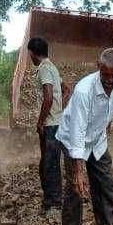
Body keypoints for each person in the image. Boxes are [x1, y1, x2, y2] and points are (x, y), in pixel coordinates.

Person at [56, 48, 113, 225]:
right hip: (73, 139)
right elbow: (78, 133)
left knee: (106, 184)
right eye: (105, 74)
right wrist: (78, 171)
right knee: (75, 187)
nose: (109, 80)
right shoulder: (84, 91)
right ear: (98, 67)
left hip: (97, 140)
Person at [27, 36, 64, 212]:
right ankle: (51, 199)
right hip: (56, 122)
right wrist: (61, 109)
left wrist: (40, 122)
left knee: (49, 164)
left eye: (30, 54)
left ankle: (53, 203)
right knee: (49, 162)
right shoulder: (52, 67)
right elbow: (66, 89)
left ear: (33, 53)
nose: (30, 57)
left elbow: (48, 97)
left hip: (50, 125)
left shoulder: (43, 69)